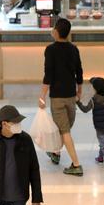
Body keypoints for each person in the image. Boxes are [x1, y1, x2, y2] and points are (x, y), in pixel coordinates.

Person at [39, 18, 84, 176]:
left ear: (56, 32)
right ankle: (56, 153)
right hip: (71, 94)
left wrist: (42, 95)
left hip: (57, 97)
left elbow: (48, 74)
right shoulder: (74, 49)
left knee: (64, 130)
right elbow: (79, 71)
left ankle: (76, 164)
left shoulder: (50, 50)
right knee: (64, 128)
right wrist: (79, 91)